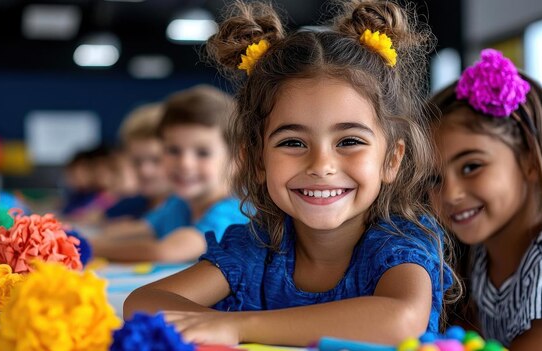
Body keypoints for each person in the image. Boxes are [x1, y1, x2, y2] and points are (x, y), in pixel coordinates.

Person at [124, 0, 457, 346]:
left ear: (391, 159)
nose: (321, 165)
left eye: (349, 141)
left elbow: (401, 320)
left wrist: (238, 326)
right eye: (294, 143)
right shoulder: (256, 248)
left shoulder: (400, 243)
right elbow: (142, 303)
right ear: (257, 161)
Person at [429, 49, 542, 350]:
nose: (450, 194)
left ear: (530, 160)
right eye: (434, 179)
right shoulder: (482, 255)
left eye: (471, 167)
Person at [90, 85, 248, 262]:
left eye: (203, 153)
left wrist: (87, 247)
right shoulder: (178, 204)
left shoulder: (235, 213)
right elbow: (138, 230)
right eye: (173, 150)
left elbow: (163, 252)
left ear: (237, 158)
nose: (185, 164)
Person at [103, 103, 170, 222]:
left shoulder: (190, 212)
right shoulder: (131, 204)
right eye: (137, 161)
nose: (145, 171)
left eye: (156, 160)